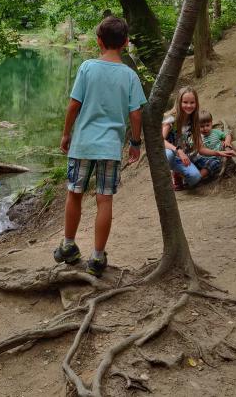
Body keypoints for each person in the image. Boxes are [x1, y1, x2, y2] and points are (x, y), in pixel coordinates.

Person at [54, 15, 146, 277]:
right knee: (104, 200)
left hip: (83, 144)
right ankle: (96, 257)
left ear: (98, 42)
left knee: (74, 193)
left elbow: (74, 105)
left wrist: (65, 134)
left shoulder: (87, 68)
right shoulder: (129, 75)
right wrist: (135, 143)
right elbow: (136, 113)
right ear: (126, 43)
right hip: (110, 147)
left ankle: (69, 245)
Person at [162, 88, 228, 190]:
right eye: (185, 102)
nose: (189, 105)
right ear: (179, 102)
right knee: (168, 154)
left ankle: (180, 175)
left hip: (186, 157)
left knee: (195, 178)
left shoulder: (194, 120)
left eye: (192, 102)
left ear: (196, 103)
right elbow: (160, 141)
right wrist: (178, 150)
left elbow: (200, 148)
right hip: (172, 153)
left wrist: (218, 153)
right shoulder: (171, 119)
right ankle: (172, 174)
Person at [198, 110, 236, 176]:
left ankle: (199, 176)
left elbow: (227, 135)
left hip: (216, 157)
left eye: (207, 125)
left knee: (211, 165)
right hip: (203, 158)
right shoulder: (198, 136)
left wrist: (227, 141)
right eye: (201, 126)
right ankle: (195, 176)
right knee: (198, 161)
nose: (205, 128)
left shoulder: (215, 132)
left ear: (211, 123)